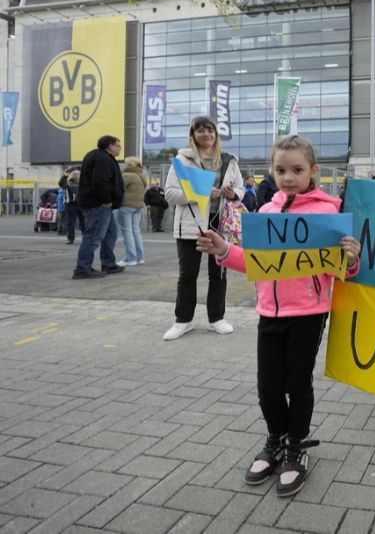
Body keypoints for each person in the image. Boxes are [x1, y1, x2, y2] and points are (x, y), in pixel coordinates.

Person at [196, 134, 361, 497]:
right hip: (269, 312)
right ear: (272, 171)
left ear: (313, 171)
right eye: (281, 170)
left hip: (310, 313)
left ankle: (297, 447)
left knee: (297, 384)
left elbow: (341, 271)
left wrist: (350, 258)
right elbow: (253, 262)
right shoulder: (265, 214)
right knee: (268, 387)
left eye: (297, 170)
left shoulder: (329, 212)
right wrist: (224, 249)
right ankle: (276, 439)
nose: (288, 177)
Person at [163, 115, 244, 340]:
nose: (206, 134)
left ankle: (216, 318)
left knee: (218, 274)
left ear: (215, 134)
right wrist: (200, 193)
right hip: (191, 225)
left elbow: (241, 188)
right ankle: (183, 320)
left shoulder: (229, 160)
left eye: (210, 130)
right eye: (200, 130)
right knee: (187, 274)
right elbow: (170, 193)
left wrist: (233, 193)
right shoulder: (182, 160)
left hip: (221, 224)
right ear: (193, 135)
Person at [73, 135, 124, 279]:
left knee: (111, 233)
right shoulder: (102, 158)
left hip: (101, 204)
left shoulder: (98, 156)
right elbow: (99, 181)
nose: (120, 148)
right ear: (110, 146)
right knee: (94, 235)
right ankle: (82, 268)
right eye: (118, 145)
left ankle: (108, 263)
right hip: (98, 204)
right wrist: (106, 199)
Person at [116, 156, 148, 267]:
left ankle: (130, 258)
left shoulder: (127, 175)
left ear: (129, 165)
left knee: (127, 232)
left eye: (126, 163)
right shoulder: (142, 176)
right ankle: (139, 257)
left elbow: (117, 188)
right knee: (135, 231)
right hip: (138, 205)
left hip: (126, 206)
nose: (124, 165)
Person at [63, 170, 84, 244]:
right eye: (75, 174)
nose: (76, 175)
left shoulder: (82, 183)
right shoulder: (67, 184)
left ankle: (85, 237)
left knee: (83, 221)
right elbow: (61, 183)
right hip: (70, 204)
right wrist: (65, 176)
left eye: (78, 174)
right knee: (71, 222)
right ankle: (70, 238)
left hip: (80, 204)